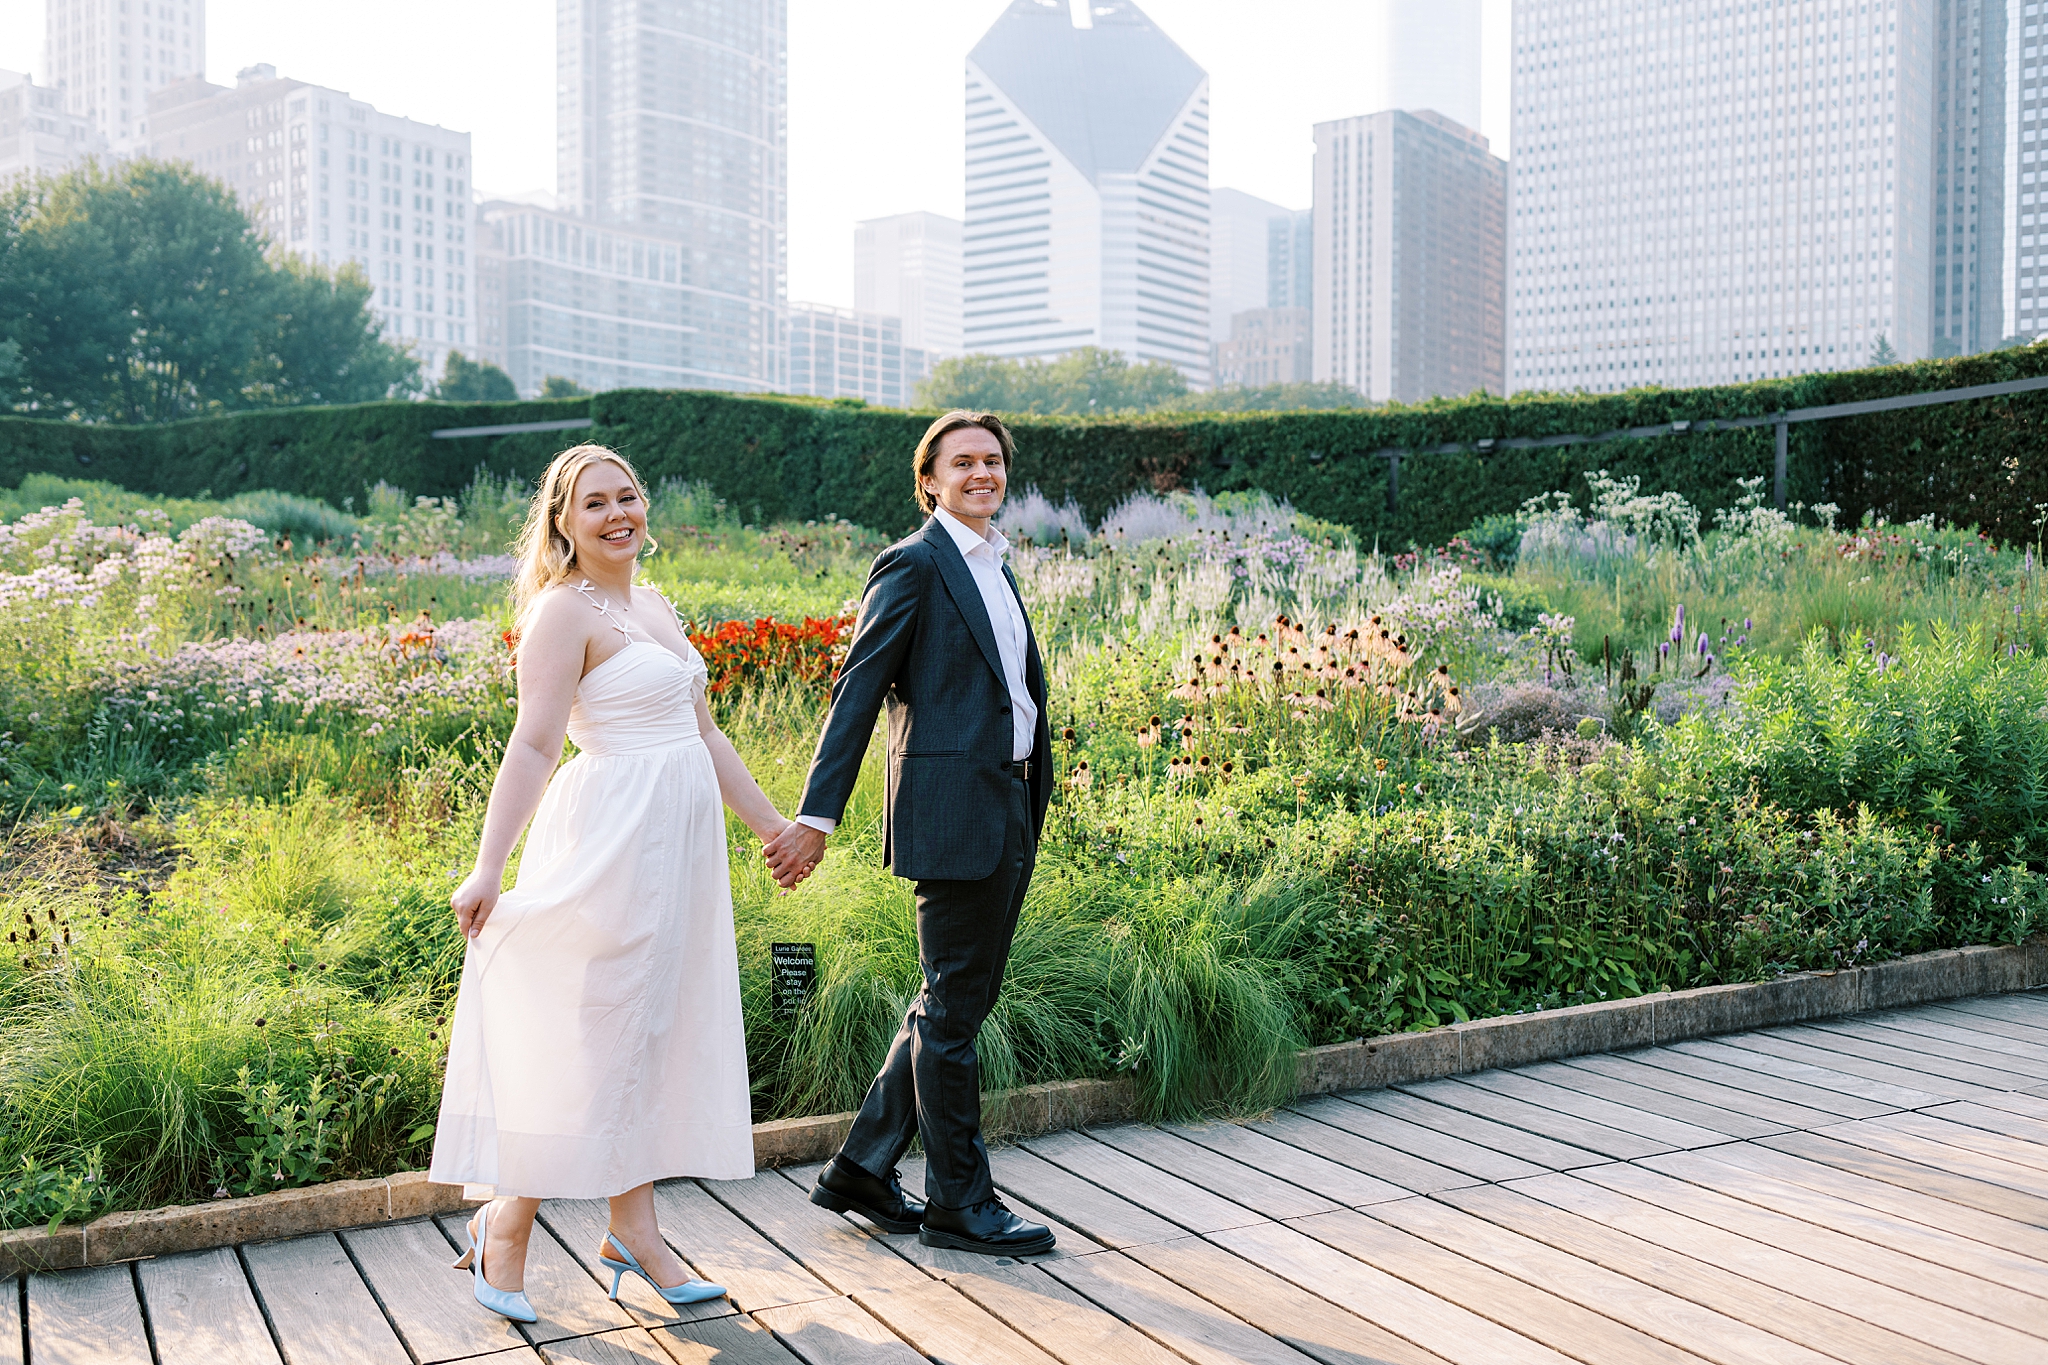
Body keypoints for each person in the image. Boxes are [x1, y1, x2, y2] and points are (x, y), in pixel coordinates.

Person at [430, 444, 787, 1322]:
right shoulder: (561, 612)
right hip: (608, 838)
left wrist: (773, 827)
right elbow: (533, 746)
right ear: (563, 523)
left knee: (651, 1031)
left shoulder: (656, 604)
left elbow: (703, 733)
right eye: (596, 503)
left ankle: (635, 1230)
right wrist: (488, 865)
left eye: (628, 495)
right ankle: (505, 1224)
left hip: (681, 849)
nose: (619, 513)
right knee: (593, 1033)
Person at [761, 410, 1056, 1257]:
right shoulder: (917, 563)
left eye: (992, 461)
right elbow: (858, 694)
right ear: (928, 479)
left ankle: (860, 1165)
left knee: (949, 1000)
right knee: (954, 1014)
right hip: (953, 816)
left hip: (1006, 804)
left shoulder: (993, 562)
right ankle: (961, 1202)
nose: (981, 473)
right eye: (962, 462)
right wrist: (815, 817)